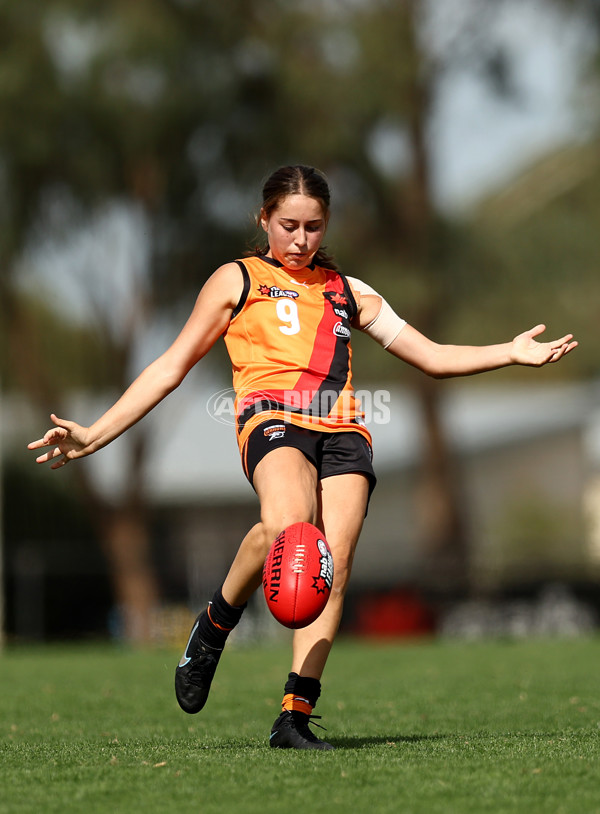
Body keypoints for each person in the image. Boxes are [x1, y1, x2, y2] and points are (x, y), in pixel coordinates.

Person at [28, 164, 577, 751]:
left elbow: (433, 355)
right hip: (272, 419)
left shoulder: (348, 291)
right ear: (263, 219)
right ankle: (215, 624)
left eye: (313, 227)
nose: (300, 239)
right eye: (288, 224)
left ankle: (293, 716)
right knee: (289, 530)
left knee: (328, 571)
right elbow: (169, 367)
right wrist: (95, 434)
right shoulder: (236, 280)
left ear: (326, 225)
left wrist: (511, 352)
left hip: (343, 431)